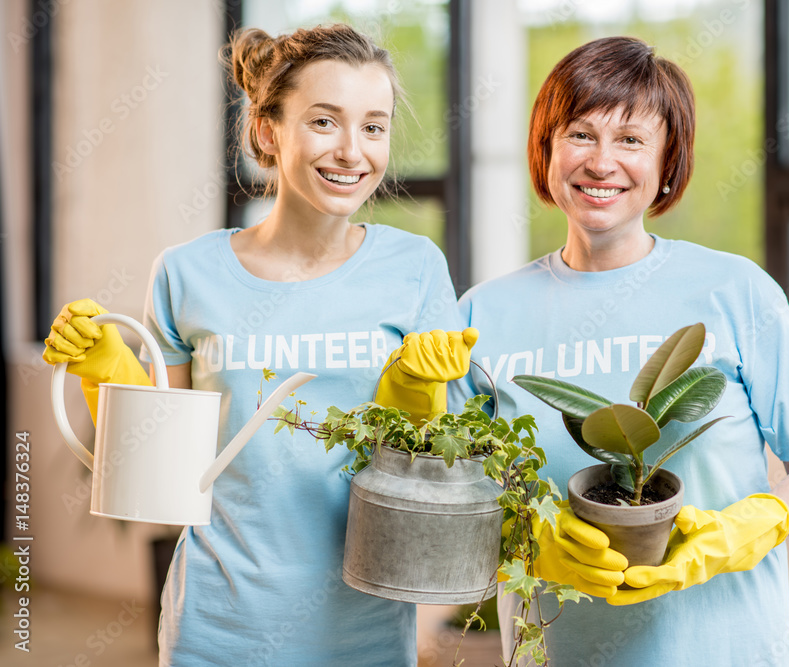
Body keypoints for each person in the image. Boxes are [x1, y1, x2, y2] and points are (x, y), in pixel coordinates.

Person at [42, 24, 476, 666]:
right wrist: (108, 376)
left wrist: (415, 398)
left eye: (375, 126)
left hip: (365, 630)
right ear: (268, 131)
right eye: (325, 122)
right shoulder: (188, 273)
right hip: (216, 627)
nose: (354, 151)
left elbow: (430, 479)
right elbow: (156, 477)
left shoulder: (414, 268)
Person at [456, 36, 789, 665]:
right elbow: (451, 496)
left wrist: (741, 530)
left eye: (631, 140)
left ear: (668, 163)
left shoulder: (735, 291)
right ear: (546, 150)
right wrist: (526, 534)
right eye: (580, 135)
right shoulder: (484, 313)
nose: (601, 162)